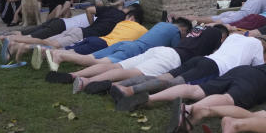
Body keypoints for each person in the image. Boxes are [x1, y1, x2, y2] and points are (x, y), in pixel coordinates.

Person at [113, 32, 266, 110]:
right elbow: (258, 69)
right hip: (213, 68)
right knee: (170, 83)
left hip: (201, 59)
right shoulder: (258, 45)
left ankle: (119, 84)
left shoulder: (235, 36)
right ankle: (130, 91)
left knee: (161, 76)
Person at [42, 18, 192, 82]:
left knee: (90, 57)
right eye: (185, 33)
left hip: (125, 44)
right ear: (183, 29)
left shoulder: (160, 24)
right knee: (93, 62)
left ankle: (54, 51)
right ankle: (60, 55)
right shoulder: (176, 32)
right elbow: (174, 50)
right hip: (134, 50)